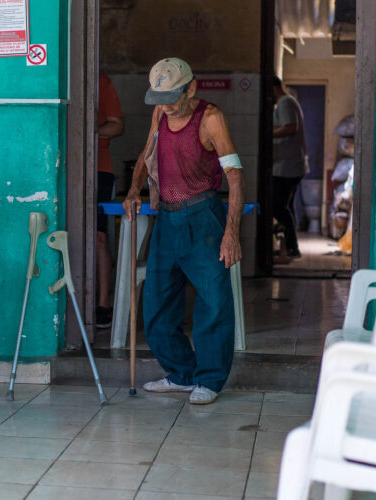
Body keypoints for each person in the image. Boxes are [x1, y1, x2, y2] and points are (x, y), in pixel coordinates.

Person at [123, 57, 243, 405]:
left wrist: (230, 232)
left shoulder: (211, 119)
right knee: (157, 302)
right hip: (168, 220)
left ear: (192, 88)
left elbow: (235, 175)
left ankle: (210, 380)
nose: (167, 105)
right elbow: (148, 155)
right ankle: (181, 374)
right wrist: (134, 190)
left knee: (213, 302)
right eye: (160, 98)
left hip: (203, 216)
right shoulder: (161, 112)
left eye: (174, 97)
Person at [96, 72, 124, 328]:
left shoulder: (102, 81)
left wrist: (88, 132)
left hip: (99, 167)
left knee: (98, 237)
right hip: (65, 165)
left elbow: (117, 124)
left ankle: (102, 304)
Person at [272, 76, 308, 259]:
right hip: (288, 165)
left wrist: (266, 133)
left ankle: (292, 246)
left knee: (277, 206)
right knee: (285, 206)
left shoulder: (285, 102)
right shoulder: (286, 103)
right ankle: (291, 247)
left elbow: (290, 127)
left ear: (273, 88)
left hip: (288, 166)